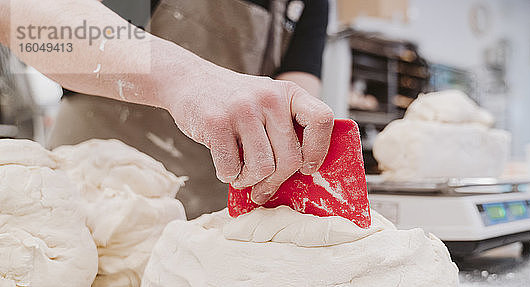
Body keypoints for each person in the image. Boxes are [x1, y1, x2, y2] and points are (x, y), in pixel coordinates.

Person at [0, 0, 334, 217]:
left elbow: (292, 102)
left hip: (213, 216)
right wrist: (184, 78)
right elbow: (23, 21)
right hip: (86, 203)